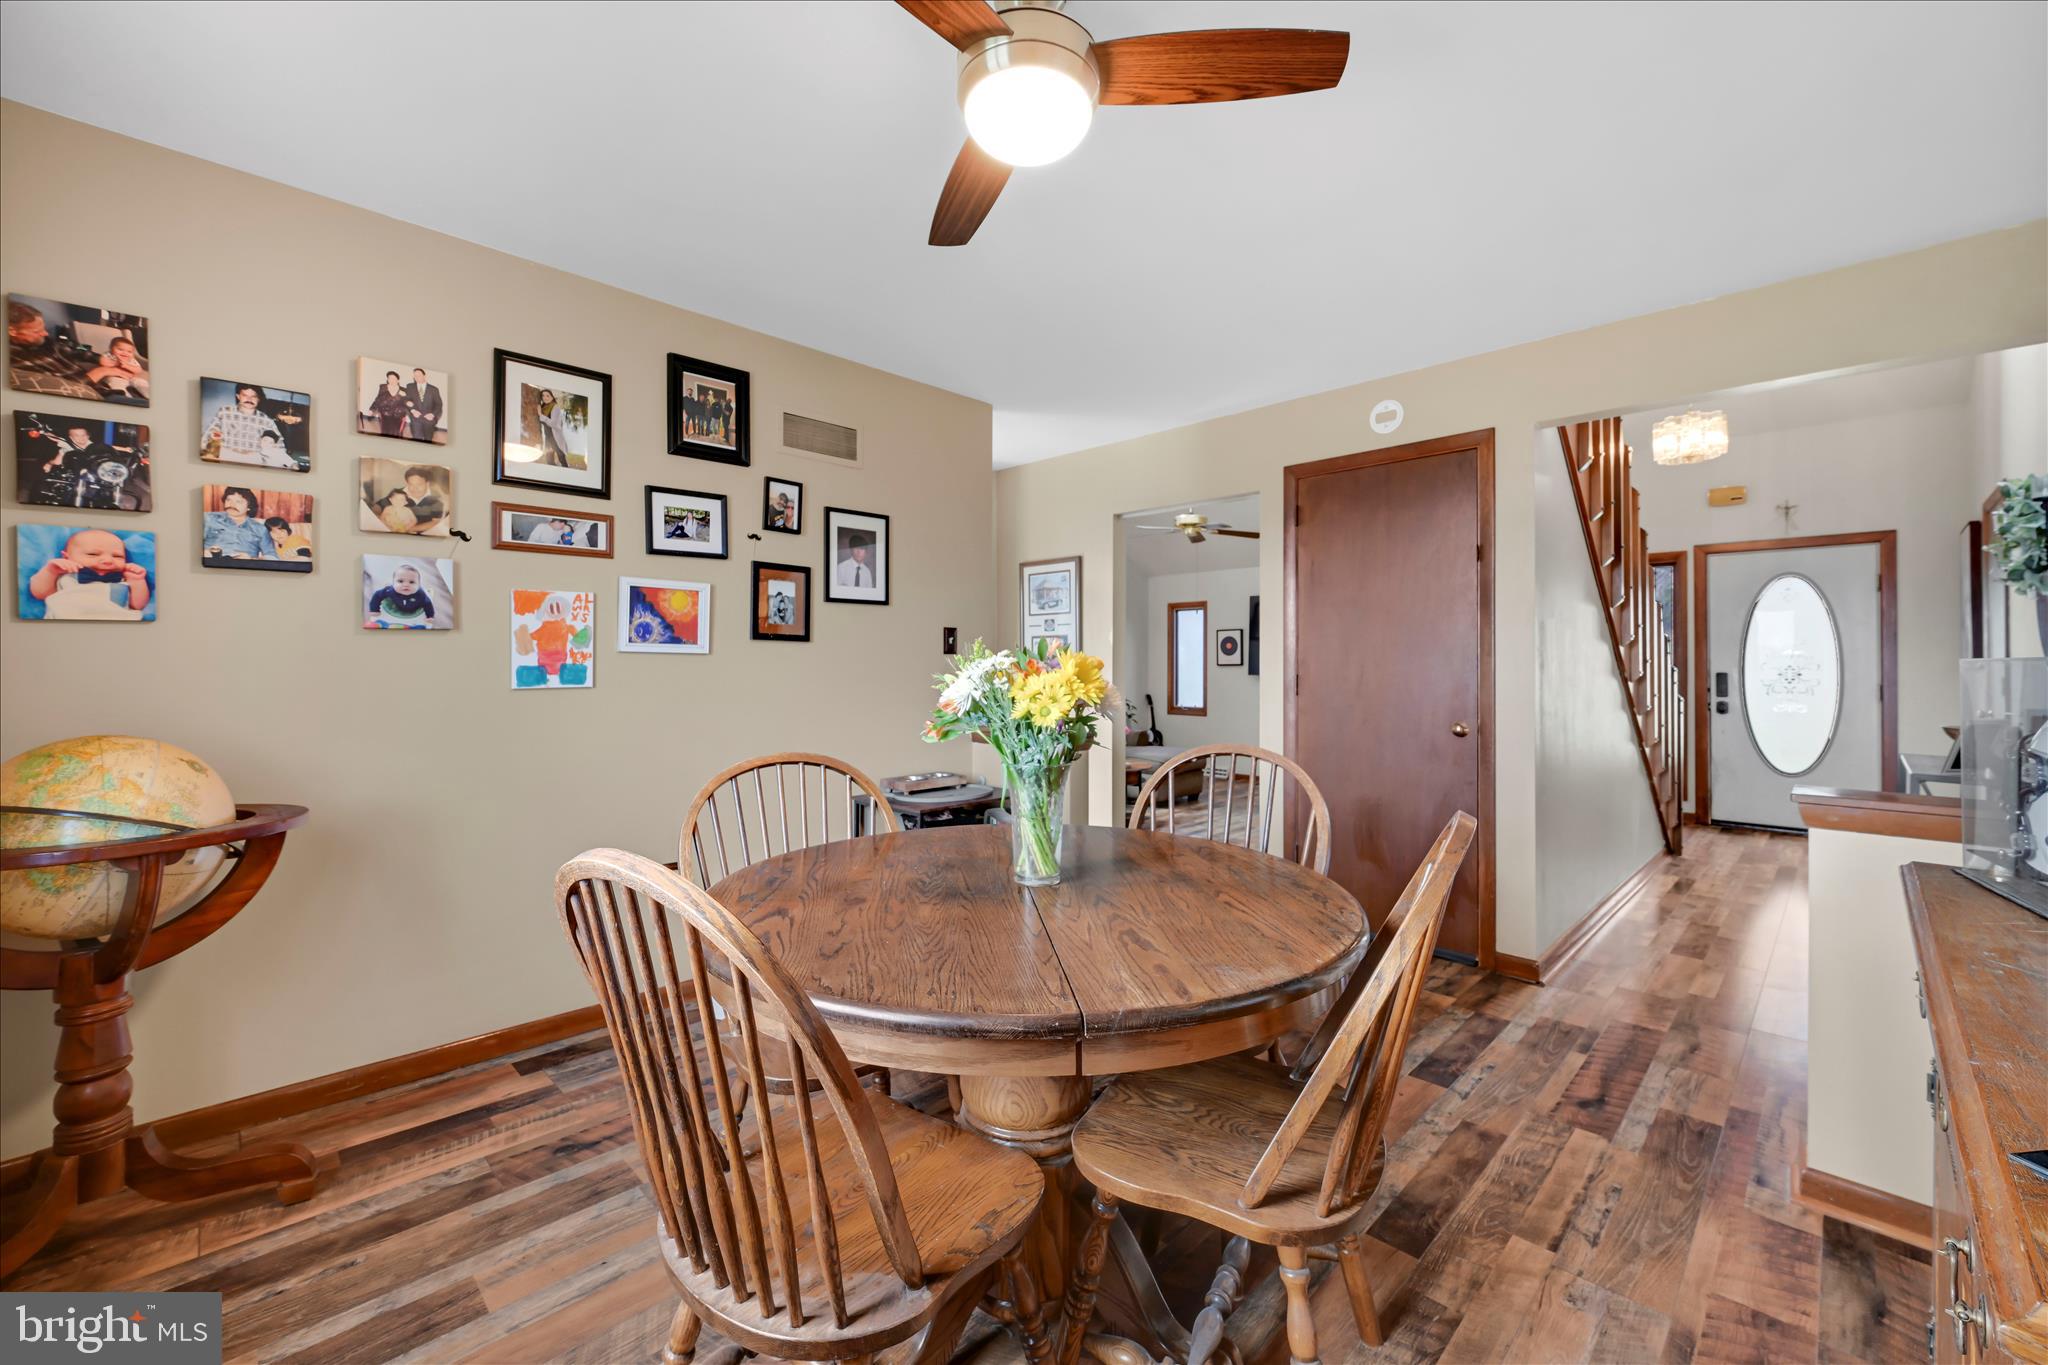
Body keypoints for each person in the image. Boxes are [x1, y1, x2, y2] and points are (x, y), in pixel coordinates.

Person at [28, 527, 150, 620]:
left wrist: (137, 581)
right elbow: (40, 594)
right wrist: (50, 571)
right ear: (66, 557)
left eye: (117, 556)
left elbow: (138, 605)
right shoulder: (65, 575)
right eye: (93, 554)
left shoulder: (123, 579)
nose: (108, 560)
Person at [203, 383, 285, 466]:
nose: (249, 399)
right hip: (227, 455)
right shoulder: (224, 412)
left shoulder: (266, 420)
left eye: (254, 396)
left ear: (258, 399)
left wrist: (281, 462)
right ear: (238, 396)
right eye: (245, 395)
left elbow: (279, 443)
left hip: (254, 459)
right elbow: (209, 434)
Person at [203, 487, 278, 561]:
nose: (231, 504)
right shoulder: (209, 519)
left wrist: (252, 559)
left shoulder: (260, 529)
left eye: (238, 501)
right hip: (211, 562)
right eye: (228, 500)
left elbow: (272, 557)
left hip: (245, 566)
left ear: (249, 507)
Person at [365, 562, 435, 628]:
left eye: (411, 582)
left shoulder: (420, 594)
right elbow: (377, 595)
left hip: (414, 611)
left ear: (418, 585)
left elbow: (428, 604)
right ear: (393, 583)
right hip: (395, 608)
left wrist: (430, 616)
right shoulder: (389, 590)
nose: (406, 585)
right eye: (400, 581)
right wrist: (374, 609)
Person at [84, 334, 148, 402]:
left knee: (141, 382)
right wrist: (116, 363)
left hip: (131, 378)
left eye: (129, 351)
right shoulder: (110, 355)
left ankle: (148, 395)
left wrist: (127, 365)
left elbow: (138, 370)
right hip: (115, 378)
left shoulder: (131, 359)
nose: (125, 353)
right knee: (118, 387)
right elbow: (102, 362)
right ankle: (127, 399)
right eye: (120, 349)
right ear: (111, 349)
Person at [535, 389, 578, 467]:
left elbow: (554, 423)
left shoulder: (555, 408)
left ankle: (565, 469)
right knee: (549, 458)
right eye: (543, 396)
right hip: (548, 436)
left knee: (561, 456)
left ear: (552, 397)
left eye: (547, 396)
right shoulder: (544, 407)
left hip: (554, 436)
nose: (545, 398)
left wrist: (541, 415)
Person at [403, 367, 443, 442]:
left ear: (424, 376)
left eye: (419, 375)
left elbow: (438, 404)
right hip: (415, 418)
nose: (417, 377)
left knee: (428, 440)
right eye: (415, 376)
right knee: (417, 439)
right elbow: (406, 399)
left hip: (429, 419)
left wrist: (432, 414)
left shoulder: (434, 389)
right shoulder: (410, 386)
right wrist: (413, 410)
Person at [363, 370, 409, 436]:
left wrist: (404, 397)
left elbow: (407, 403)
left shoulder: (404, 390)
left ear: (398, 380)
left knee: (396, 433)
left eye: (393, 378)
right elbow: (378, 400)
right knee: (385, 432)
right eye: (389, 378)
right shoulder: (383, 387)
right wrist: (372, 409)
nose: (391, 380)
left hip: (398, 416)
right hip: (385, 414)